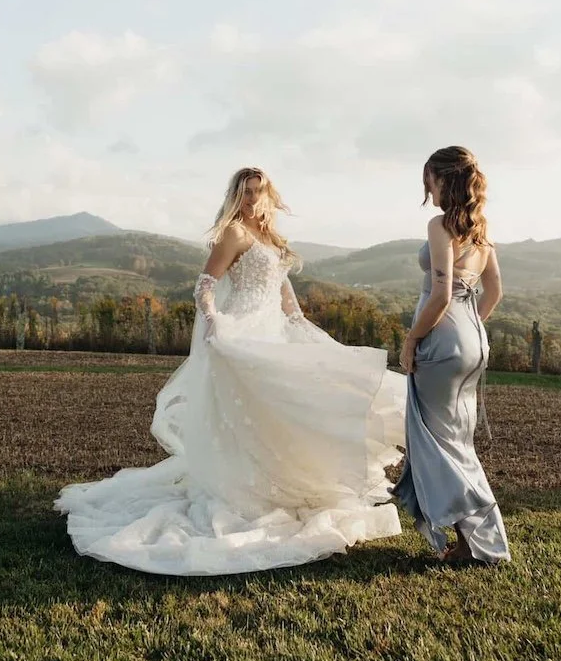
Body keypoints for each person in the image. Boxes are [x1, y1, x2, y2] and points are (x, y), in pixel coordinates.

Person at [55, 167, 405, 575]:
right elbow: (205, 283)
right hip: (243, 330)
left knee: (286, 409)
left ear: (269, 195)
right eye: (245, 193)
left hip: (274, 330)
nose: (252, 199)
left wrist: (299, 324)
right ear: (235, 197)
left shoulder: (272, 238)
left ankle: (280, 485)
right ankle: (247, 490)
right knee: (249, 415)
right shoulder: (235, 233)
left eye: (258, 192)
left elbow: (282, 287)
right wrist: (214, 320)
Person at [393, 147, 510, 564]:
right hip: (473, 338)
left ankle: (477, 546)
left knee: (437, 442)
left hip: (442, 341)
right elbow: (494, 290)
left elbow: (440, 293)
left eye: (429, 180)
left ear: (442, 178)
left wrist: (411, 341)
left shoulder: (441, 226)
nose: (428, 189)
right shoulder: (480, 228)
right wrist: (468, 326)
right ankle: (481, 543)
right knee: (458, 442)